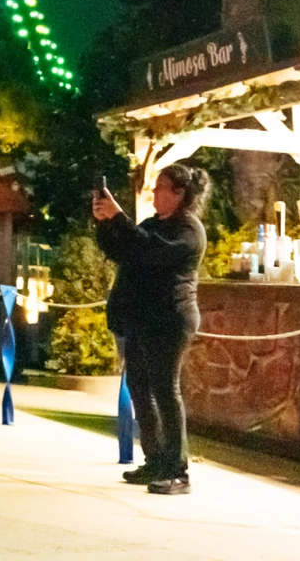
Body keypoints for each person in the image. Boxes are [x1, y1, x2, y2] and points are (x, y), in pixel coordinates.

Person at [93, 163, 210, 496]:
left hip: (170, 319)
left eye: (161, 187)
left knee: (165, 390)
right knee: (140, 388)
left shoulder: (188, 230)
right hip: (141, 319)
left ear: (179, 194)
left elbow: (148, 249)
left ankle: (178, 469)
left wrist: (118, 217)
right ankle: (156, 460)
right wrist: (105, 223)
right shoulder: (153, 224)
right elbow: (123, 250)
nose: (154, 193)